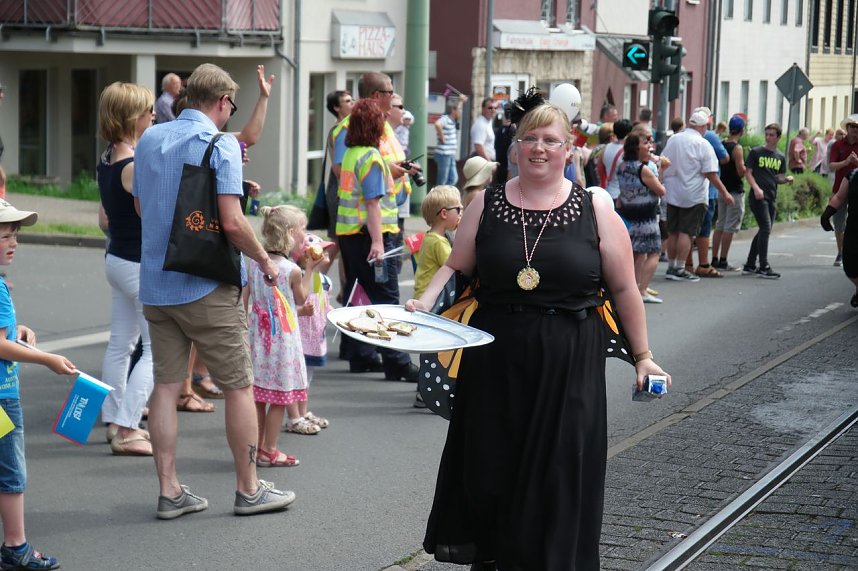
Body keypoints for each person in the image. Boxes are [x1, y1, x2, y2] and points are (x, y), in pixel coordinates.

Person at [406, 94, 670, 569]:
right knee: (491, 473)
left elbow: (625, 289)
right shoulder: (485, 203)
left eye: (551, 140)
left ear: (569, 149)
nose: (540, 148)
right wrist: (423, 303)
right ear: (515, 147)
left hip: (570, 361)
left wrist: (644, 356)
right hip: (495, 361)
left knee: (558, 475)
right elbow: (455, 265)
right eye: (530, 138)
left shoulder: (595, 208)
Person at [134, 63, 295, 518]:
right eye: (232, 106)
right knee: (239, 385)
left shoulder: (150, 138)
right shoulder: (220, 144)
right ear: (223, 101)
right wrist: (265, 260)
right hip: (205, 284)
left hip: (157, 283)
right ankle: (249, 488)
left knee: (167, 386)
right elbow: (232, 222)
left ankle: (169, 491)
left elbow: (142, 207)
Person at [0, 200, 76, 571]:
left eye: (15, 235)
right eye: (5, 236)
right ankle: (16, 547)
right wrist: (46, 359)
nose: (13, 242)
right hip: (1, 399)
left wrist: (17, 330)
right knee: (11, 471)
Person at [335, 98, 417, 381]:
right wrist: (379, 243)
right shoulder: (370, 157)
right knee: (387, 297)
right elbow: (372, 204)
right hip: (371, 237)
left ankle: (361, 355)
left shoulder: (351, 154)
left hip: (350, 235)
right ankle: (398, 363)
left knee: (359, 295)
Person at [95, 81, 156, 456]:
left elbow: (104, 218)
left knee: (121, 344)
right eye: (149, 111)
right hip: (137, 265)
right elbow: (154, 216)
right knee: (156, 350)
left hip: (116, 258)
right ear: (133, 117)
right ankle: (127, 427)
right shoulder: (132, 166)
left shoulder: (107, 158)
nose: (154, 116)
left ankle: (113, 418)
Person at [245, 206, 322, 467]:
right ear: (290, 233)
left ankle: (256, 448)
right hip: (282, 341)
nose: (304, 233)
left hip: (258, 336)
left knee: (258, 397)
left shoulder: (254, 264)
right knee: (279, 397)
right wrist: (309, 268)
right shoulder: (291, 270)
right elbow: (300, 299)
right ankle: (270, 449)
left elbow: (245, 300)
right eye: (301, 228)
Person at [661, 108, 734, 282]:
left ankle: (671, 266)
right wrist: (725, 192)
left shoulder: (674, 139)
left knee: (673, 231)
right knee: (686, 232)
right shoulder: (703, 144)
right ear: (703, 127)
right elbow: (710, 173)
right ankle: (680, 268)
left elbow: (663, 162)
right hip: (693, 195)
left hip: (672, 192)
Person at [616, 125, 666, 303]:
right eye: (645, 143)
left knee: (636, 254)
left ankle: (634, 288)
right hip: (646, 219)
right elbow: (661, 191)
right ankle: (642, 289)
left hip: (629, 217)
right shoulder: (642, 169)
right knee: (654, 252)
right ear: (636, 148)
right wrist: (660, 171)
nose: (649, 146)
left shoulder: (622, 166)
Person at [742, 123, 794, 279]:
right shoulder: (756, 152)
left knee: (764, 229)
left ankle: (750, 264)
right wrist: (756, 188)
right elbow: (748, 172)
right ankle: (763, 266)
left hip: (771, 196)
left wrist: (786, 179)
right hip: (758, 196)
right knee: (765, 227)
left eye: (772, 135)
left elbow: (777, 177)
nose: (768, 137)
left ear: (778, 137)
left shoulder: (780, 156)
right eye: (767, 134)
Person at [685, 107, 730, 278]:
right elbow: (724, 158)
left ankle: (687, 264)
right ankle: (703, 264)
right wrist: (725, 192)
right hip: (707, 190)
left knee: (687, 229)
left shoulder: (681, 136)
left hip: (685, 189)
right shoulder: (710, 136)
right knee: (703, 229)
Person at [296, 233, 334, 425]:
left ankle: (302, 412)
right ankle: (297, 415)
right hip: (300, 336)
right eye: (322, 250)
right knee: (299, 377)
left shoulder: (326, 281)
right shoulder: (300, 278)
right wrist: (302, 310)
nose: (326, 253)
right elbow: (291, 304)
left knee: (307, 377)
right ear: (307, 257)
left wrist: (336, 314)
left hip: (315, 336)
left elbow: (324, 304)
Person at [712, 114, 748, 271]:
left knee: (720, 224)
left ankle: (714, 258)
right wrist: (748, 166)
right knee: (729, 226)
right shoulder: (737, 148)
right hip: (734, 191)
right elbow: (740, 172)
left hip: (722, 188)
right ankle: (723, 260)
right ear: (742, 130)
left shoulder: (722, 144)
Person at [413, 185, 463, 300]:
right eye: (458, 209)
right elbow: (456, 268)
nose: (461, 214)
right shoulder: (438, 242)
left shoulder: (430, 237)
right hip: (431, 300)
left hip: (423, 295)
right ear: (444, 214)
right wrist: (463, 233)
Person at [821, 169, 858, 307]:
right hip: (854, 229)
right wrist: (827, 214)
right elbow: (839, 197)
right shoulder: (853, 175)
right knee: (849, 265)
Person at [828, 115, 858, 267]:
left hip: (856, 191)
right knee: (839, 223)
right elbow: (831, 166)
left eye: (857, 127)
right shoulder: (837, 145)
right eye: (852, 127)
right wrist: (845, 162)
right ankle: (840, 252)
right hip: (839, 189)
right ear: (847, 128)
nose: (855, 130)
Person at [434, 97, 466, 186]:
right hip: (444, 154)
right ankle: (439, 194)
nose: (460, 111)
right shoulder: (446, 118)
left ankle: (445, 193)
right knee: (442, 180)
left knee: (453, 178)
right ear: (453, 110)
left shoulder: (453, 120)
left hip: (450, 154)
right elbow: (437, 124)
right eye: (459, 109)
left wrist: (461, 101)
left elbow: (457, 106)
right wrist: (442, 136)